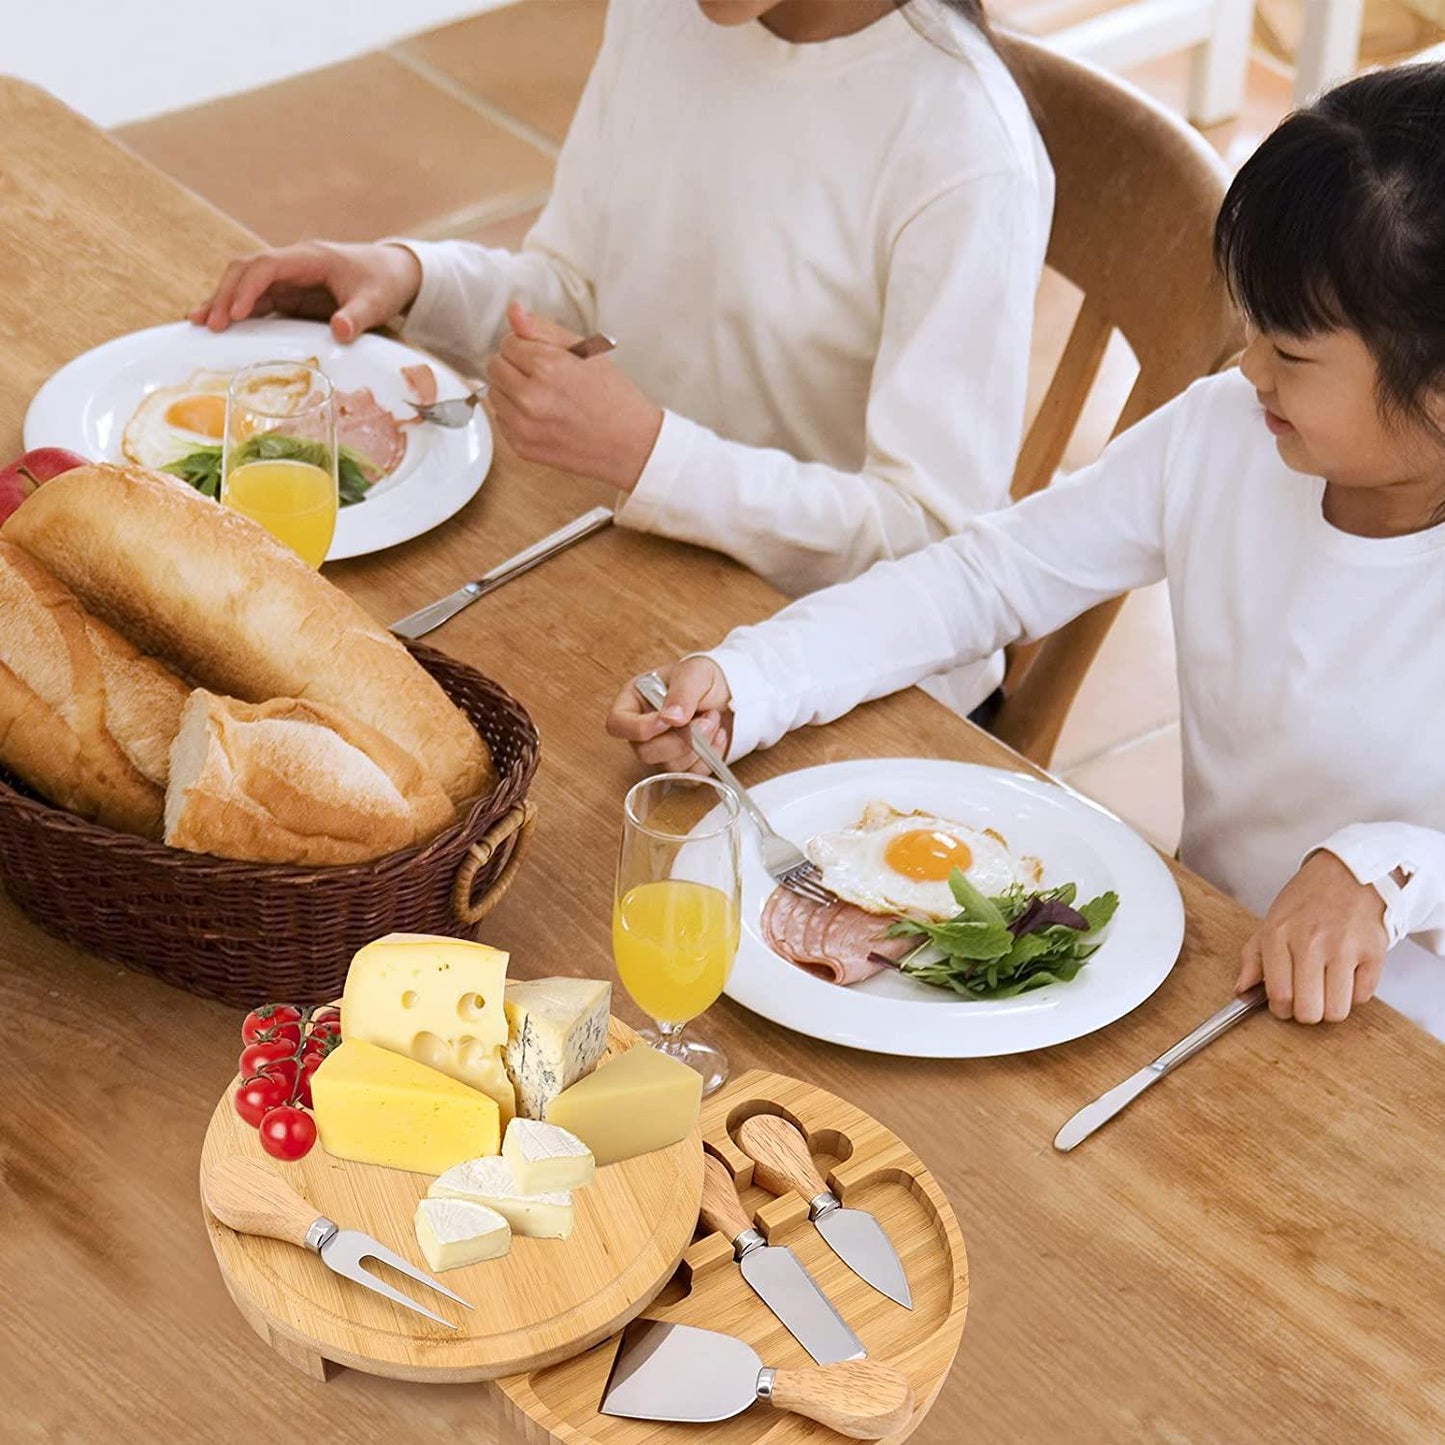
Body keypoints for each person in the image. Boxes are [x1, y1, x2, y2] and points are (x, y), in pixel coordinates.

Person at [607, 64, 1445, 1037]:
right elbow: (984, 578)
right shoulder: (1227, 435)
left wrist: (1388, 868)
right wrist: (750, 677)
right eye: (1250, 327)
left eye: (1289, 353)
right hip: (1220, 976)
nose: (1246, 366)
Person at [192, 0, 1052, 719]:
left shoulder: (967, 155)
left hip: (855, 688)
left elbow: (936, 550)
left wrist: (650, 452)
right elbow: (575, 292)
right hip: (638, 576)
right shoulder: (667, 14)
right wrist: (412, 279)